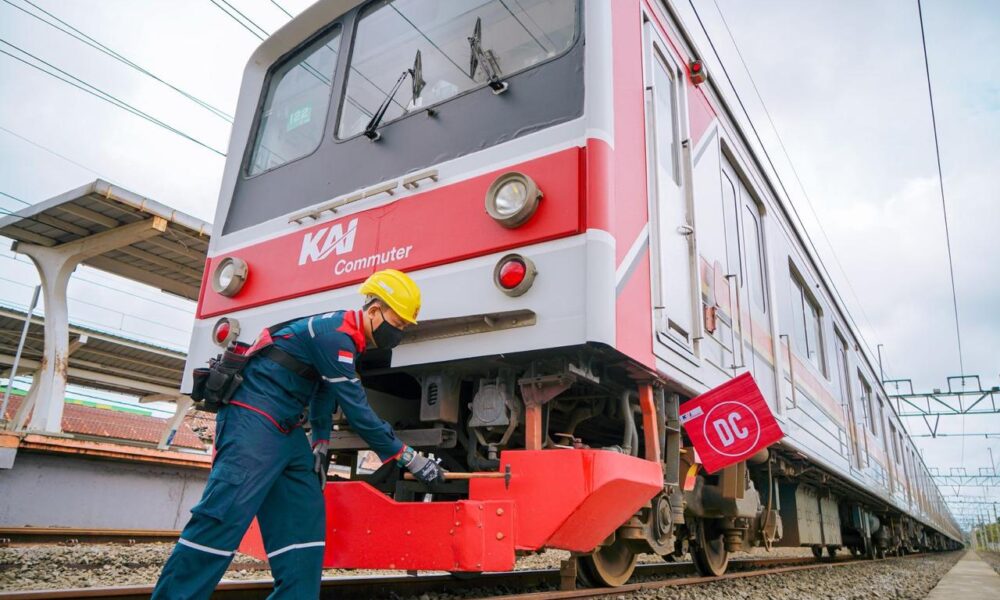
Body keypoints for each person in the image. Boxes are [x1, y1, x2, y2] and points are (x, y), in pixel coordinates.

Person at [152, 269, 444, 599]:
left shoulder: (345, 339)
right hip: (253, 420)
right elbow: (359, 413)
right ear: (375, 310)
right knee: (223, 518)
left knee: (303, 520)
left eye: (405, 326)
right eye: (399, 322)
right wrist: (410, 458)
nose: (399, 332)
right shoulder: (333, 334)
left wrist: (320, 443)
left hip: (285, 430)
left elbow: (323, 391)